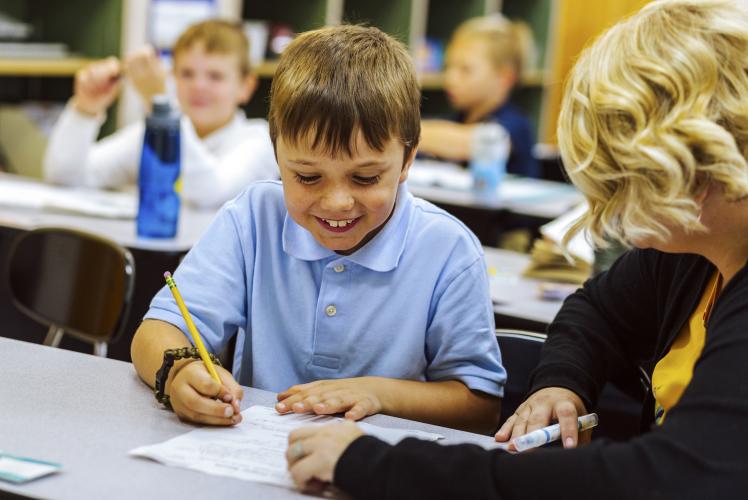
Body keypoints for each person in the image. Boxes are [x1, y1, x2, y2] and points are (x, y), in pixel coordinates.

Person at [283, 1, 748, 498]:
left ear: (699, 163)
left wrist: (375, 464)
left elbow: (666, 478)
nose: (620, 222)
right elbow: (596, 312)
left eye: (630, 182)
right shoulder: (689, 256)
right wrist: (562, 384)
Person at [130, 25, 505, 434]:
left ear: (407, 160)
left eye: (365, 178)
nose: (337, 202)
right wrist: (179, 371)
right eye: (307, 177)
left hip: (381, 472)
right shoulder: (252, 218)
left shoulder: (448, 250)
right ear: (277, 156)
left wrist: (379, 394)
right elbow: (154, 333)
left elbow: (479, 404)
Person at [43, 19, 278, 209]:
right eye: (186, 73)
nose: (198, 86)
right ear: (172, 77)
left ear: (246, 87)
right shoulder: (147, 134)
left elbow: (208, 195)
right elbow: (65, 177)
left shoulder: (258, 141)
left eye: (215, 76)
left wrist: (161, 103)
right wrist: (85, 110)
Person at [418, 15, 539, 178]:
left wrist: (403, 133)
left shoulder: (516, 125)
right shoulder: (458, 119)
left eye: (465, 69)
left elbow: (468, 143)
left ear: (505, 78)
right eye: (449, 66)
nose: (450, 78)